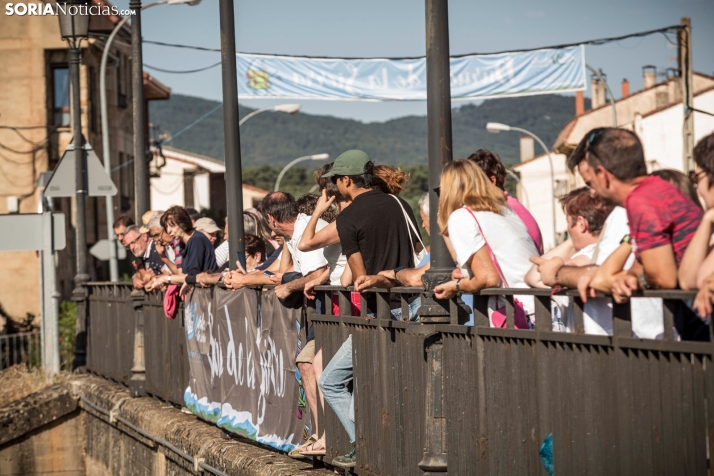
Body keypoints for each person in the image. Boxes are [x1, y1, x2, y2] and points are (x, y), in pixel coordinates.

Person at [317, 150, 422, 468]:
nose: (335, 186)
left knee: (332, 380)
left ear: (347, 180)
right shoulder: (399, 203)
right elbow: (418, 249)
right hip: (415, 305)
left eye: (335, 181)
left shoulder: (348, 218)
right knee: (405, 381)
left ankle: (361, 445)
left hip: (382, 312)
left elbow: (359, 278)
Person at [566, 127, 706, 341]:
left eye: (591, 182)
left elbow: (664, 278)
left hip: (701, 322)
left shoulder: (643, 201)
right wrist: (631, 277)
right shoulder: (654, 191)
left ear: (603, 175)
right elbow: (646, 263)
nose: (592, 192)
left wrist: (636, 278)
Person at [430, 159, 539, 329]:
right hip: (544, 306)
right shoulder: (504, 210)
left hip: (519, 313)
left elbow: (488, 278)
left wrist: (455, 286)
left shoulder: (462, 217)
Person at [525, 188, 613, 332]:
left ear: (581, 223)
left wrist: (574, 241)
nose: (568, 228)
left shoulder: (590, 254)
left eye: (568, 222)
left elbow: (534, 277)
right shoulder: (618, 248)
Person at [468, 149, 544, 254]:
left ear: (491, 181)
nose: (466, 190)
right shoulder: (510, 206)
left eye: (471, 184)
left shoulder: (502, 211)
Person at [146, 206, 218, 295]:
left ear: (182, 223)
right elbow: (184, 275)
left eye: (171, 226)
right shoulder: (184, 243)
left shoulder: (196, 240)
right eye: (166, 227)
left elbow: (191, 276)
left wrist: (164, 278)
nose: (168, 231)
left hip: (208, 295)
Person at [123, 225, 172, 290]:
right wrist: (136, 278)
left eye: (133, 242)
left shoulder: (156, 248)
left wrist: (151, 279)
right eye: (128, 246)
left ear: (144, 236)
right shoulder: (144, 254)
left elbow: (170, 275)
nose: (131, 247)